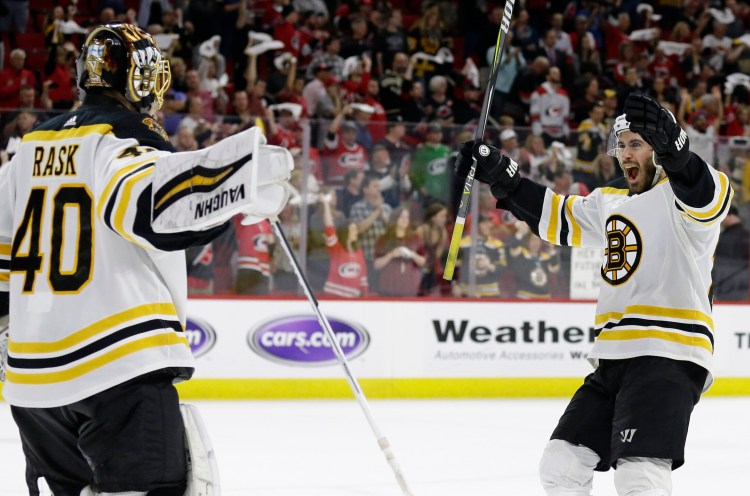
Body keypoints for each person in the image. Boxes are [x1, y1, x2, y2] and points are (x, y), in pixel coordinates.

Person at [0, 23, 292, 495]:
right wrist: (239, 182)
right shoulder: (117, 140)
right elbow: (150, 203)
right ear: (134, 79)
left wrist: (7, 334)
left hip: (33, 386)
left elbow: (2, 250)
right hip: (117, 368)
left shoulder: (29, 149)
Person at [455, 93, 732, 495]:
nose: (624, 154)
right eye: (620, 145)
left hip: (669, 353)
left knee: (640, 475)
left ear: (661, 147)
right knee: (561, 465)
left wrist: (678, 152)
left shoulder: (688, 195)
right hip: (613, 356)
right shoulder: (609, 200)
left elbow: (704, 193)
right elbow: (554, 217)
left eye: (636, 144)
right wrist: (502, 173)